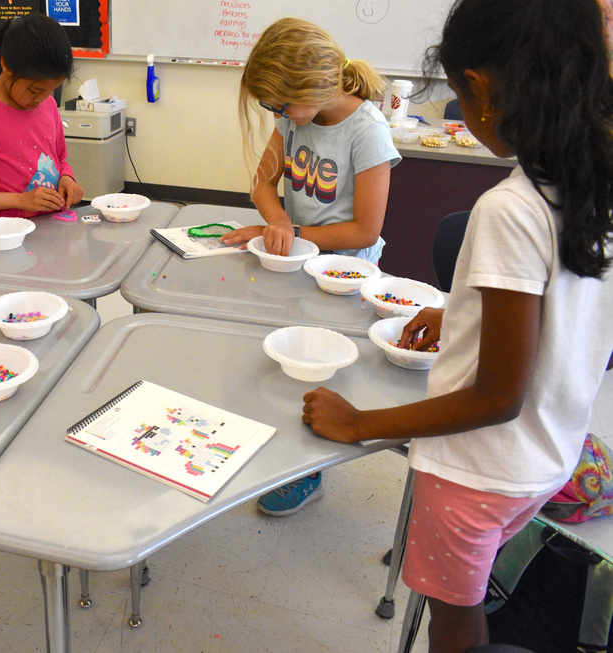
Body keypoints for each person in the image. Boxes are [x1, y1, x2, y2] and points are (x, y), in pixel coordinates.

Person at [301, 0, 613, 650]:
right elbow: (567, 307)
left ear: (484, 89)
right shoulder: (591, 183)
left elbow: (497, 397)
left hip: (475, 475)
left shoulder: (509, 209)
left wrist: (360, 424)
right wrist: (464, 309)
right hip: (547, 458)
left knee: (454, 618)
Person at [220, 17, 401, 517]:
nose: (278, 115)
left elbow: (365, 230)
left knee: (321, 379)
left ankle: (307, 470)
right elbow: (262, 184)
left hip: (345, 279)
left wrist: (291, 233)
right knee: (288, 363)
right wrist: (276, 218)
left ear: (317, 87)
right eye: (271, 107)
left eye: (281, 105)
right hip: (298, 268)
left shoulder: (367, 132)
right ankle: (284, 454)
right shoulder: (294, 117)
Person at [0, 13, 83, 219]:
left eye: (51, 90)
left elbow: (60, 158)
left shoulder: (48, 104)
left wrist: (66, 178)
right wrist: (21, 200)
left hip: (52, 227)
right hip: (11, 238)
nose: (42, 99)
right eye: (35, 91)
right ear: (6, 65)